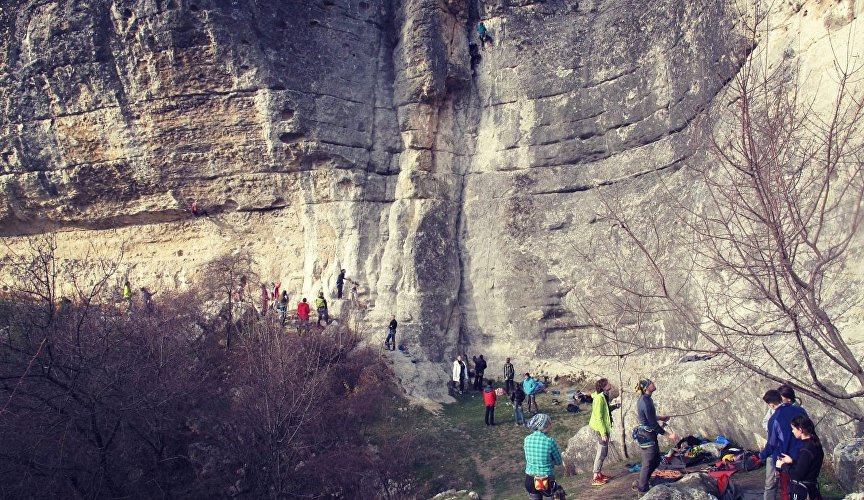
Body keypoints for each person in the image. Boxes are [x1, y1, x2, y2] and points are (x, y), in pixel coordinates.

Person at [760, 389, 808, 500]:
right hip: (804, 454)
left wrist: (761, 456)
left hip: (785, 458)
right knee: (805, 486)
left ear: (771, 405)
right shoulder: (800, 409)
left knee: (786, 490)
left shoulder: (774, 419)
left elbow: (772, 444)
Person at [633, 379, 678, 493]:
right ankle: (642, 487)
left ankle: (643, 481)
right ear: (647, 388)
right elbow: (653, 424)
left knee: (656, 459)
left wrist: (661, 418)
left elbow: (650, 416)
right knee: (648, 462)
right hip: (646, 436)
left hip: (648, 435)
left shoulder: (647, 399)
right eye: (651, 383)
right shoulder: (645, 402)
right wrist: (669, 435)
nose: (653, 384)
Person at [779, 415, 823, 500]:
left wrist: (783, 465)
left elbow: (797, 475)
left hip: (803, 492)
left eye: (793, 428)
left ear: (800, 429)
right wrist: (792, 462)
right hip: (812, 489)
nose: (792, 431)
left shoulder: (807, 449)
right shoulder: (815, 445)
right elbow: (806, 467)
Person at [523, 413, 565, 500]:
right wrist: (551, 461)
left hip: (530, 479)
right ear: (545, 426)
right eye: (549, 423)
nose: (551, 425)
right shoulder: (549, 441)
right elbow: (558, 461)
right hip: (546, 480)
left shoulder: (527, 439)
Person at [589, 378, 613, 486]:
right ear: (603, 386)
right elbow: (599, 417)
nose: (610, 384)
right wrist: (603, 433)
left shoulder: (604, 396)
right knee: (601, 452)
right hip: (600, 429)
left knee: (604, 452)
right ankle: (595, 476)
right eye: (607, 383)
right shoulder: (599, 398)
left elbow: (605, 411)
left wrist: (613, 407)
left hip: (603, 428)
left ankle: (599, 473)